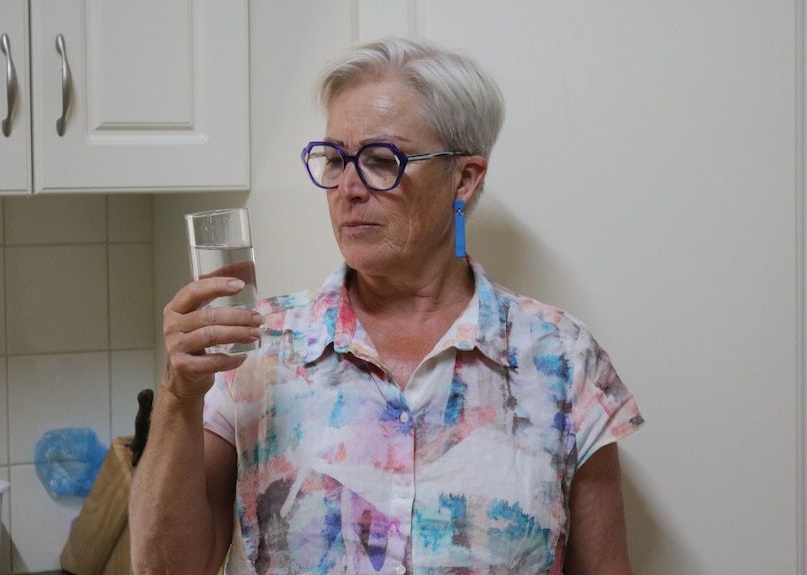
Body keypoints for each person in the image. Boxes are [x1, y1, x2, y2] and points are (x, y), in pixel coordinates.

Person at [130, 36, 644, 575]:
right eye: (334, 159)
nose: (347, 188)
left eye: (381, 160)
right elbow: (165, 569)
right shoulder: (256, 349)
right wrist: (176, 394)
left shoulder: (561, 361)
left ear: (464, 179)